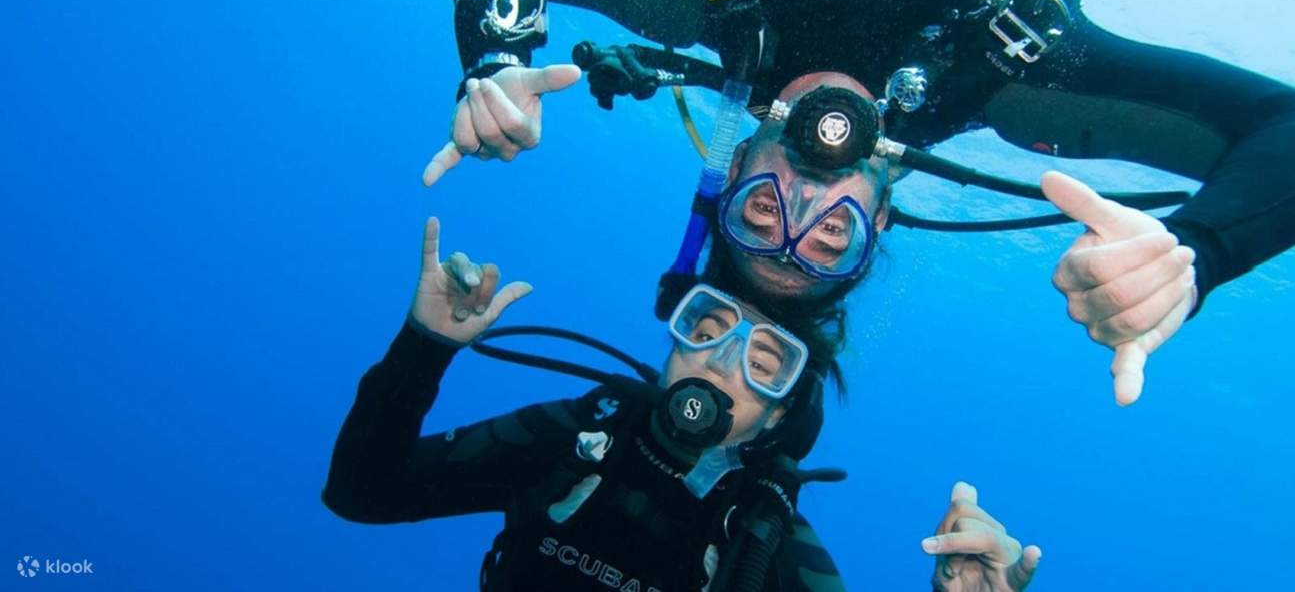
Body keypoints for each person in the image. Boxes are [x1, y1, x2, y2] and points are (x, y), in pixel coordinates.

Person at [420, 0, 1295, 405]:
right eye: (829, 234)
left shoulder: (709, 1)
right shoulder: (1012, 80)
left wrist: (491, 57)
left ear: (729, 174)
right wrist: (1202, 252)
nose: (803, 195)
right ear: (878, 218)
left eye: (760, 213)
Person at [322, 216, 1041, 591]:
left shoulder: (762, 540)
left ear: (782, 415)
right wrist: (423, 346)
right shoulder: (579, 436)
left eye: (763, 362)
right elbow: (361, 491)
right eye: (703, 329)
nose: (717, 361)